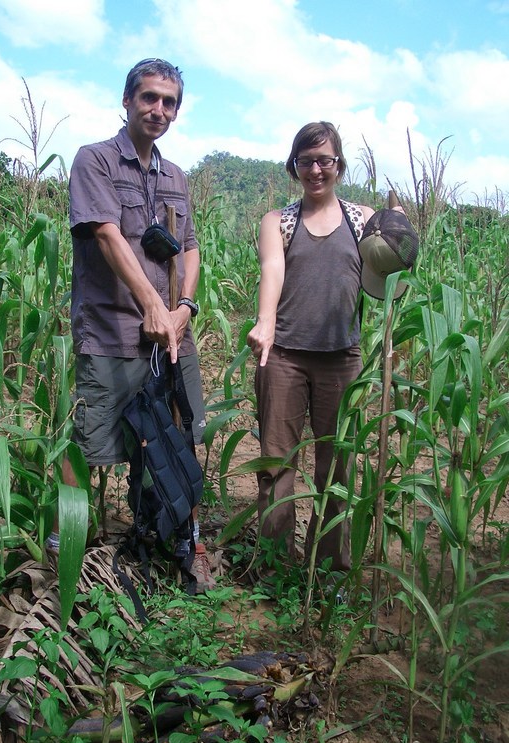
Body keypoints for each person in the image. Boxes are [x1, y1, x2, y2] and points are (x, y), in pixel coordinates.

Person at [64, 57, 215, 591]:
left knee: (174, 438)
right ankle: (70, 553)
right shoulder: (95, 161)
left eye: (169, 102)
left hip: (172, 337)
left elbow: (190, 247)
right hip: (112, 333)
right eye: (149, 97)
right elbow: (106, 235)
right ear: (127, 100)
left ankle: (169, 535)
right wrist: (152, 305)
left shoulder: (175, 176)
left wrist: (182, 309)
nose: (159, 109)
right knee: (94, 446)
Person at [247, 121, 378, 573]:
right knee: (277, 465)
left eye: (325, 160)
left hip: (342, 360)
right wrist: (265, 323)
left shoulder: (363, 220)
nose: (316, 169)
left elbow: (388, 277)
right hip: (282, 356)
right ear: (294, 166)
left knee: (337, 469)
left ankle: (329, 569)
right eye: (306, 161)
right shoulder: (278, 222)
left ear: (339, 165)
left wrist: (399, 235)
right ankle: (274, 565)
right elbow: (272, 271)